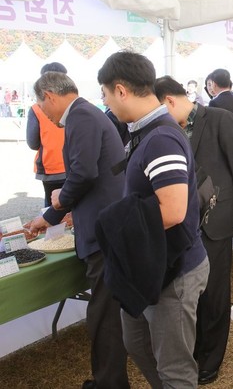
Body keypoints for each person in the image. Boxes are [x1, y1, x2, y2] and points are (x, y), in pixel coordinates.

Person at [97, 51, 209, 387]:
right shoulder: (147, 131)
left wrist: (118, 228)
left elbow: (173, 211)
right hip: (154, 265)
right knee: (139, 344)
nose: (105, 102)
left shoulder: (160, 138)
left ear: (120, 90)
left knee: (174, 366)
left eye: (104, 93)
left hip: (175, 269)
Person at [25, 71, 129, 389]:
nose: (43, 112)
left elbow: (83, 172)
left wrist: (57, 206)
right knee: (107, 308)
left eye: (41, 105)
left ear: (50, 97)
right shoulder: (87, 113)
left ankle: (109, 383)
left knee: (104, 311)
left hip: (103, 230)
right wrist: (63, 210)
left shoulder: (81, 116)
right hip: (104, 221)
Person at [154, 76, 233, 385]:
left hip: (214, 223)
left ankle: (210, 360)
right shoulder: (167, 129)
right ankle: (192, 353)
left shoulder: (218, 118)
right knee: (188, 294)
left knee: (214, 295)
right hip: (182, 226)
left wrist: (226, 206)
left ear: (170, 100)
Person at [26, 62, 67, 207]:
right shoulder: (75, 105)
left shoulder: (37, 109)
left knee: (51, 207)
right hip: (74, 166)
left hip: (50, 167)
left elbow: (33, 143)